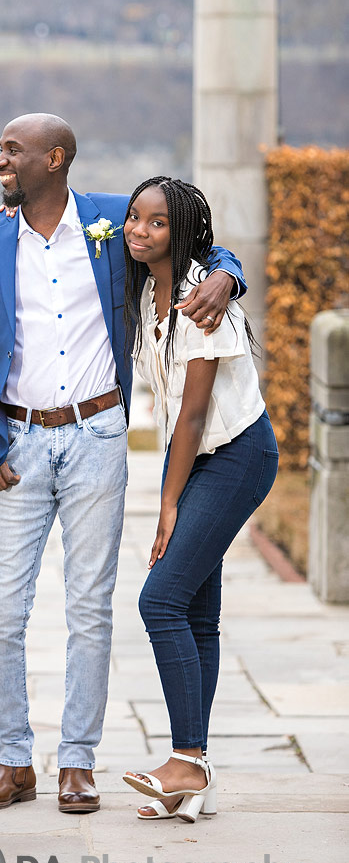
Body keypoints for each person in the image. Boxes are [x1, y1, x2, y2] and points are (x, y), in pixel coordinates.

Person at [0, 113, 246, 814]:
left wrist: (228, 279)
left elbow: (200, 239)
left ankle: (77, 762)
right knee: (1, 609)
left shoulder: (115, 219)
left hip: (96, 432)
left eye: (12, 149)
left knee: (89, 606)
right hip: (17, 442)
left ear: (53, 159)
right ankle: (12, 759)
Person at [121, 177, 277, 821]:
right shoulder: (147, 282)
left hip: (236, 454)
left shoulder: (201, 299)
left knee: (159, 601)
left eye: (156, 223)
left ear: (182, 232)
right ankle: (192, 774)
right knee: (194, 614)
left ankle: (187, 757)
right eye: (134, 218)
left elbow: (190, 417)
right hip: (201, 455)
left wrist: (167, 505)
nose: (138, 230)